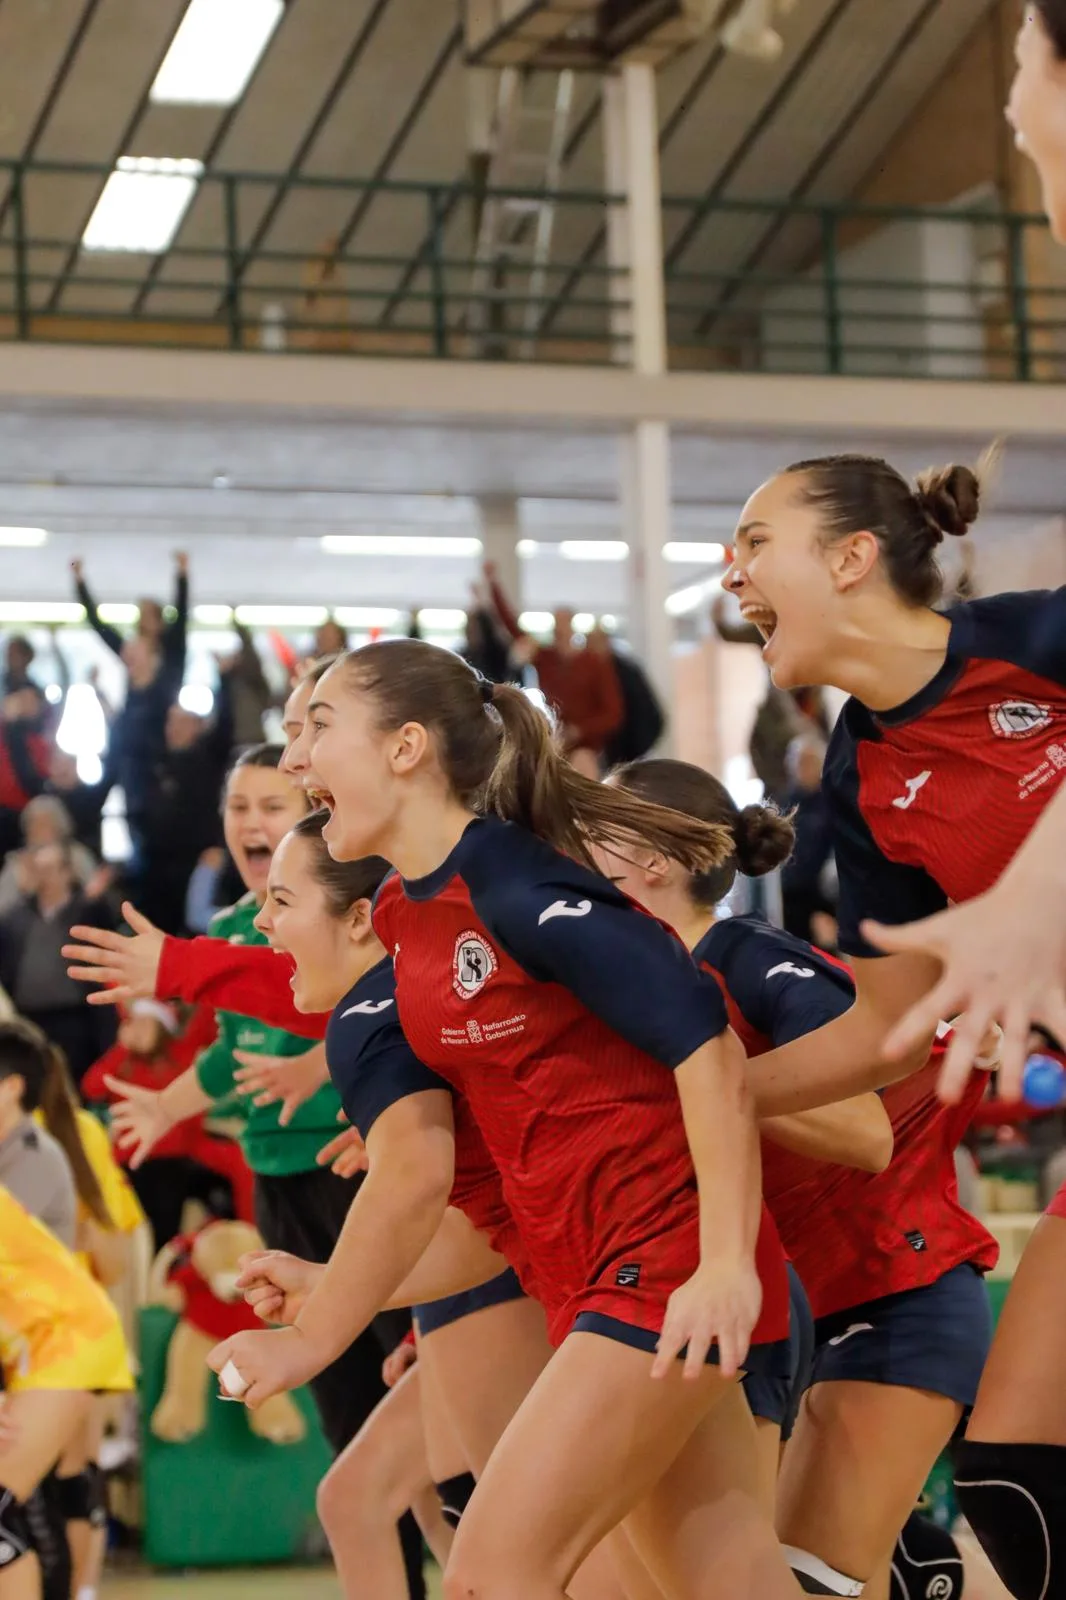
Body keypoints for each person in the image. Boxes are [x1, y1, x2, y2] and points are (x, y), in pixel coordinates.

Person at [198, 639, 810, 1600]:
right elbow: (477, 1200)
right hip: (595, 1280)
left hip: (662, 1270)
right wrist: (331, 1286)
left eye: (318, 726)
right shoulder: (408, 915)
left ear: (406, 748)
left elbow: (711, 1053)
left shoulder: (517, 887)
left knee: (489, 1574)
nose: (295, 759)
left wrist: (727, 1262)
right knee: (716, 1583)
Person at [721, 441, 1066, 1600]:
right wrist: (704, 1093)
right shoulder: (859, 775)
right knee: (1013, 1476)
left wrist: (1037, 888)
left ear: (852, 557)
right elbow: (888, 1026)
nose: (731, 572)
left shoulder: (1034, 639)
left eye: (755, 541)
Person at [605, 760, 999, 1600]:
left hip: (897, 1292)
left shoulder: (750, 959)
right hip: (792, 1312)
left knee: (798, 1582)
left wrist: (704, 1085)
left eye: (589, 830)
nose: (565, 852)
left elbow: (864, 1132)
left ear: (653, 860)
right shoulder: (634, 990)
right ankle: (923, 1568)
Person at [87, 741, 429, 1600]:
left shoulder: (354, 931)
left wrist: (317, 1068)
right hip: (282, 1175)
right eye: (237, 807)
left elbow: (365, 1010)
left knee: (419, 1399)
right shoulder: (243, 930)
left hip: (360, 1172)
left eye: (271, 805)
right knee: (353, 1429)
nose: (250, 820)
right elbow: (232, 1050)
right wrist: (168, 1105)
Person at [485, 567, 625, 775]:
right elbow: (513, 628)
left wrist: (580, 730)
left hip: (585, 750)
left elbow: (613, 713)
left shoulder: (594, 663)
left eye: (563, 623)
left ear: (572, 625)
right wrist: (493, 585)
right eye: (556, 623)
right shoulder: (546, 658)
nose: (559, 629)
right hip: (554, 744)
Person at [0, 844, 116, 1086]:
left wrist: (97, 898)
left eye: (49, 869)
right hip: (28, 1018)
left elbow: (109, 925)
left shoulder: (86, 909)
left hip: (74, 1018)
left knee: (74, 1083)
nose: (44, 877)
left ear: (66, 872)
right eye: (39, 869)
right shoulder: (16, 915)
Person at [71, 554, 189, 707]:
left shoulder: (172, 648)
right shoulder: (132, 650)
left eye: (148, 616)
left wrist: (182, 573)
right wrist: (79, 581)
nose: (143, 622)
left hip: (163, 712)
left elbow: (181, 614)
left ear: (160, 622)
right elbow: (100, 627)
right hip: (136, 711)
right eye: (141, 617)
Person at [0, 797, 103, 919]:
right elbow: (3, 906)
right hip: (26, 926)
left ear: (59, 826)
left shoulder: (77, 857)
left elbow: (94, 895)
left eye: (44, 824)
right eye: (33, 824)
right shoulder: (17, 863)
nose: (38, 830)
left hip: (75, 921)